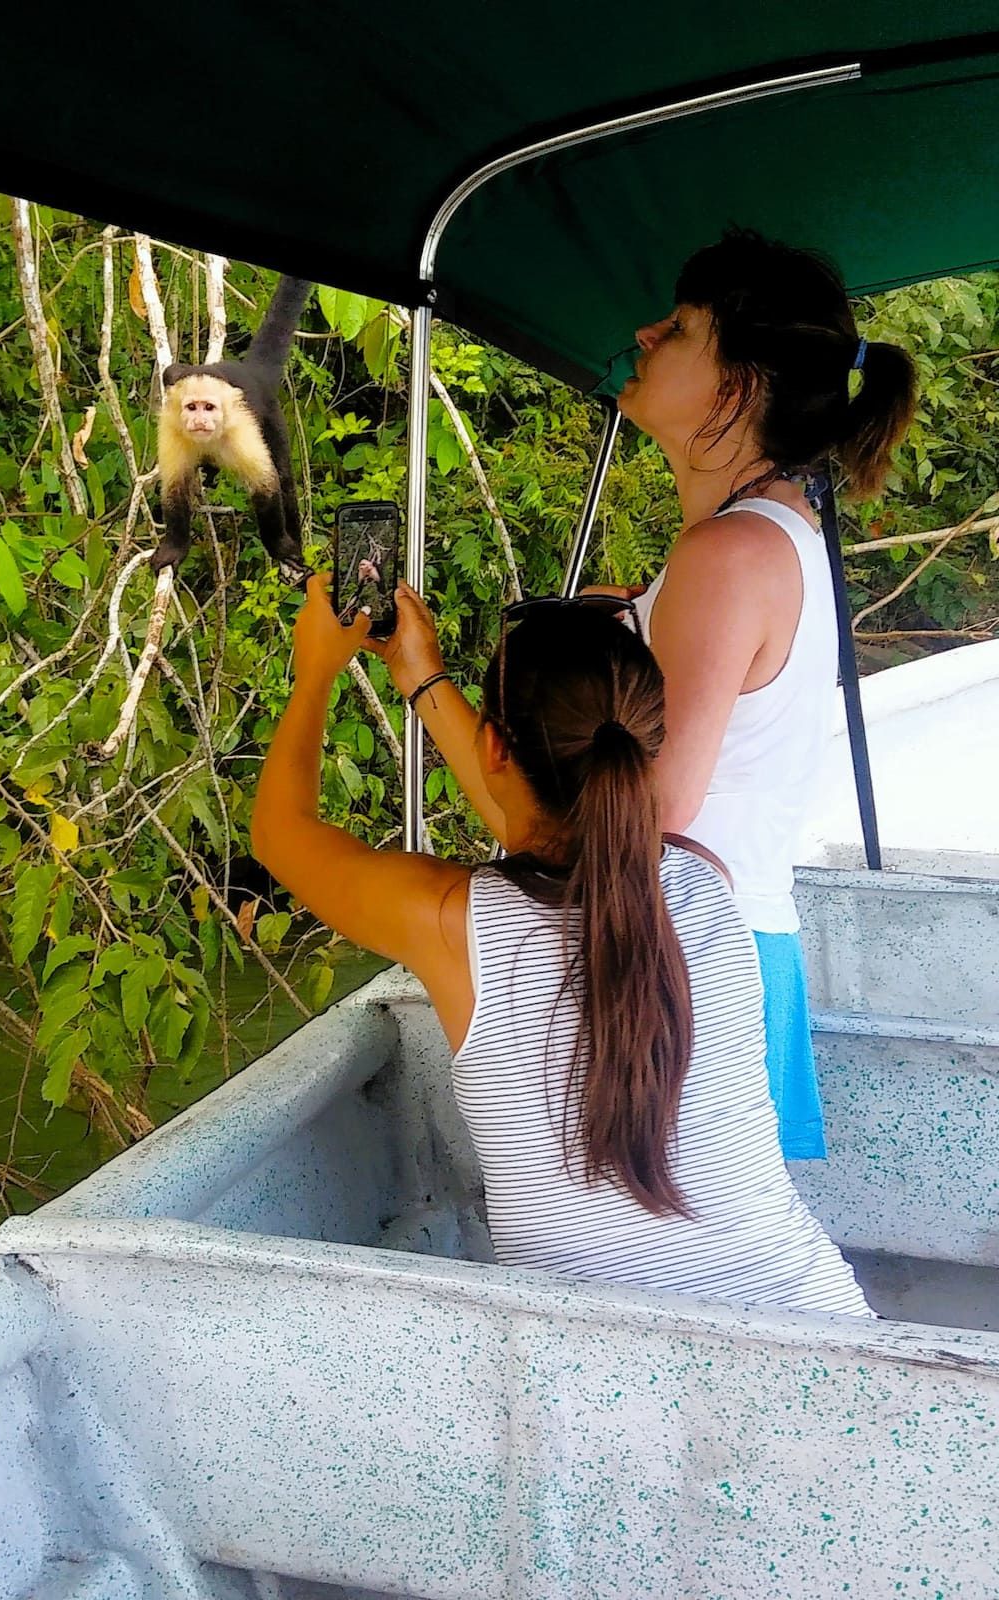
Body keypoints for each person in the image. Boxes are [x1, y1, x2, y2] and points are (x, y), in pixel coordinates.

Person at [381, 228, 919, 1161]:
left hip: (684, 964)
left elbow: (635, 818)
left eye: (679, 328)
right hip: (714, 946)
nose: (645, 334)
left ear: (737, 387)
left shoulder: (729, 554)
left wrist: (425, 680)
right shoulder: (768, 534)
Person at [250, 577, 871, 1316]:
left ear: (494, 746)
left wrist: (316, 672)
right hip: (821, 1321)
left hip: (591, 1358)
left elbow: (281, 835)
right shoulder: (709, 883)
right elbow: (556, 828)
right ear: (645, 750)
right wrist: (422, 678)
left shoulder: (451, 922)